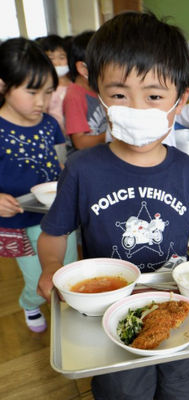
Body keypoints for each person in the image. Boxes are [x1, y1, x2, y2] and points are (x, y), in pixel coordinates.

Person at [36, 12, 189, 399]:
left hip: (179, 306)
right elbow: (53, 233)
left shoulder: (187, 171)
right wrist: (51, 267)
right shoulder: (82, 169)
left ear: (179, 101)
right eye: (119, 95)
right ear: (99, 95)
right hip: (110, 310)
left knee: (182, 388)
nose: (136, 109)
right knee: (123, 391)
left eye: (153, 96)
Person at [0, 38, 77, 333]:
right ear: (3, 85)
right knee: (36, 278)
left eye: (47, 92)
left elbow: (61, 161)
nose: (41, 102)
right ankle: (30, 301)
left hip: (57, 214)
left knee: (65, 269)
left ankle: (65, 309)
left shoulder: (49, 124)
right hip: (19, 219)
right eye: (32, 92)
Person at [63, 30, 107, 155]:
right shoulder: (74, 96)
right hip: (84, 161)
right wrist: (110, 137)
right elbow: (80, 142)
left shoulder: (99, 89)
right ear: (84, 69)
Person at [38, 35, 71, 133]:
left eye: (62, 57)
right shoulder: (44, 88)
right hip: (55, 135)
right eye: (51, 58)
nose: (57, 62)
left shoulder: (74, 84)